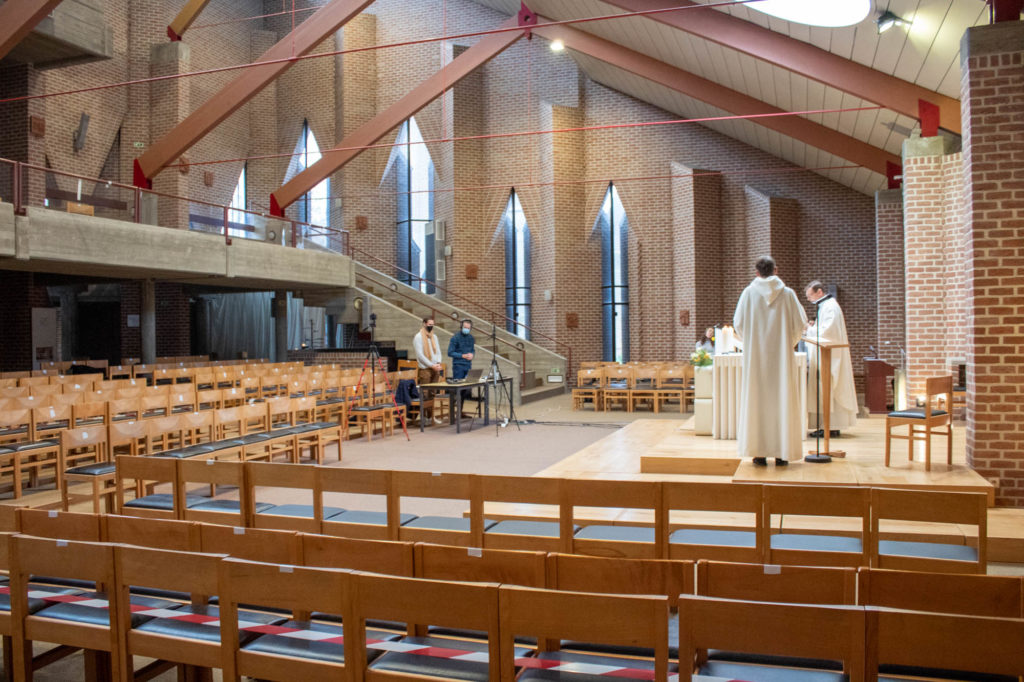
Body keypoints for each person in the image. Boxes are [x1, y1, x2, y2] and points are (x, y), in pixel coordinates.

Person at [733, 256, 808, 466]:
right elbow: (800, 324)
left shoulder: (748, 294)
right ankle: (781, 452)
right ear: (776, 270)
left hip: (756, 358)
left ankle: (758, 453)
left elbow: (738, 324)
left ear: (757, 272)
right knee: (782, 399)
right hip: (781, 358)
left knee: (757, 400)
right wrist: (787, 343)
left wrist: (753, 343)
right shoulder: (788, 294)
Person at [804, 281, 858, 437]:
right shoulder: (826, 306)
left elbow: (828, 332)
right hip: (826, 355)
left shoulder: (830, 307)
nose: (808, 299)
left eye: (810, 295)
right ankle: (825, 425)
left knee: (828, 387)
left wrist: (809, 329)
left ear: (819, 292)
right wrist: (814, 326)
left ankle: (831, 426)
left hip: (830, 357)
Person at [413, 317, 444, 423]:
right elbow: (420, 355)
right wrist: (431, 365)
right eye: (429, 324)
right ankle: (424, 418)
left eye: (432, 324)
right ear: (424, 324)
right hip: (425, 369)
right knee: (425, 394)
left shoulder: (434, 337)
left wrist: (438, 363)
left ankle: (431, 417)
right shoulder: (418, 337)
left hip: (435, 368)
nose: (431, 326)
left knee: (432, 393)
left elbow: (438, 351)